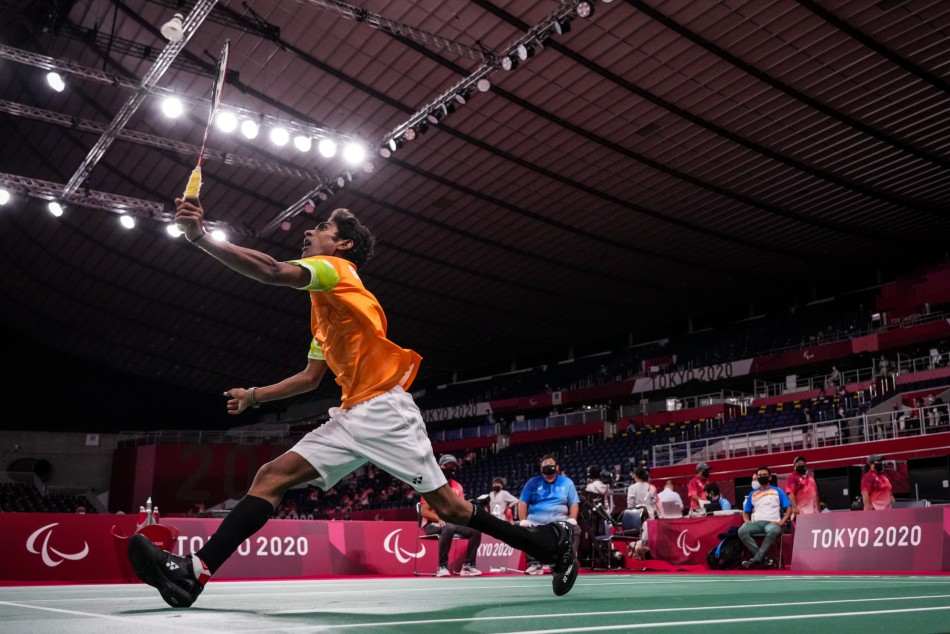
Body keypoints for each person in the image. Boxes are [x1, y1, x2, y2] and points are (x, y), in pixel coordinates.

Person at [126, 203, 578, 607]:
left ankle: (551, 543)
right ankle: (193, 573)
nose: (310, 232)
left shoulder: (336, 271)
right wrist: (255, 395)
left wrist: (200, 237)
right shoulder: (326, 311)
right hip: (351, 414)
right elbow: (310, 378)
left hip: (384, 411)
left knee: (452, 510)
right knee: (272, 476)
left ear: (342, 245)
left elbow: (270, 270)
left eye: (322, 228)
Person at [420, 454, 482, 577]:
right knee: (448, 527)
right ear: (439, 467)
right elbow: (424, 511)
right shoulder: (431, 486)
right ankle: (442, 566)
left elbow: (460, 510)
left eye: (452, 466)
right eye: (447, 466)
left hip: (452, 522)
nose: (450, 469)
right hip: (432, 523)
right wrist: (439, 518)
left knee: (475, 531)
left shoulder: (457, 487)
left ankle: (468, 565)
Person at [518, 455, 581, 575]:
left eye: (550, 464)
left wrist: (573, 518)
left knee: (575, 529)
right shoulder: (532, 483)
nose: (547, 466)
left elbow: (574, 503)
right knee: (522, 529)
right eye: (544, 465)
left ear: (557, 467)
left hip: (560, 521)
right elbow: (522, 502)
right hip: (535, 521)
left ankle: (567, 562)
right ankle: (534, 563)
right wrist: (523, 520)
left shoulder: (567, 482)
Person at [739, 466, 792, 569]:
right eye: (760, 475)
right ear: (757, 477)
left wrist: (781, 522)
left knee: (773, 531)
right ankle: (762, 559)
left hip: (772, 523)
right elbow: (745, 512)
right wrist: (747, 521)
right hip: (756, 523)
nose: (762, 477)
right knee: (742, 530)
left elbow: (789, 509)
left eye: (764, 475)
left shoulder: (778, 491)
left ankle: (756, 559)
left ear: (770, 477)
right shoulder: (753, 493)